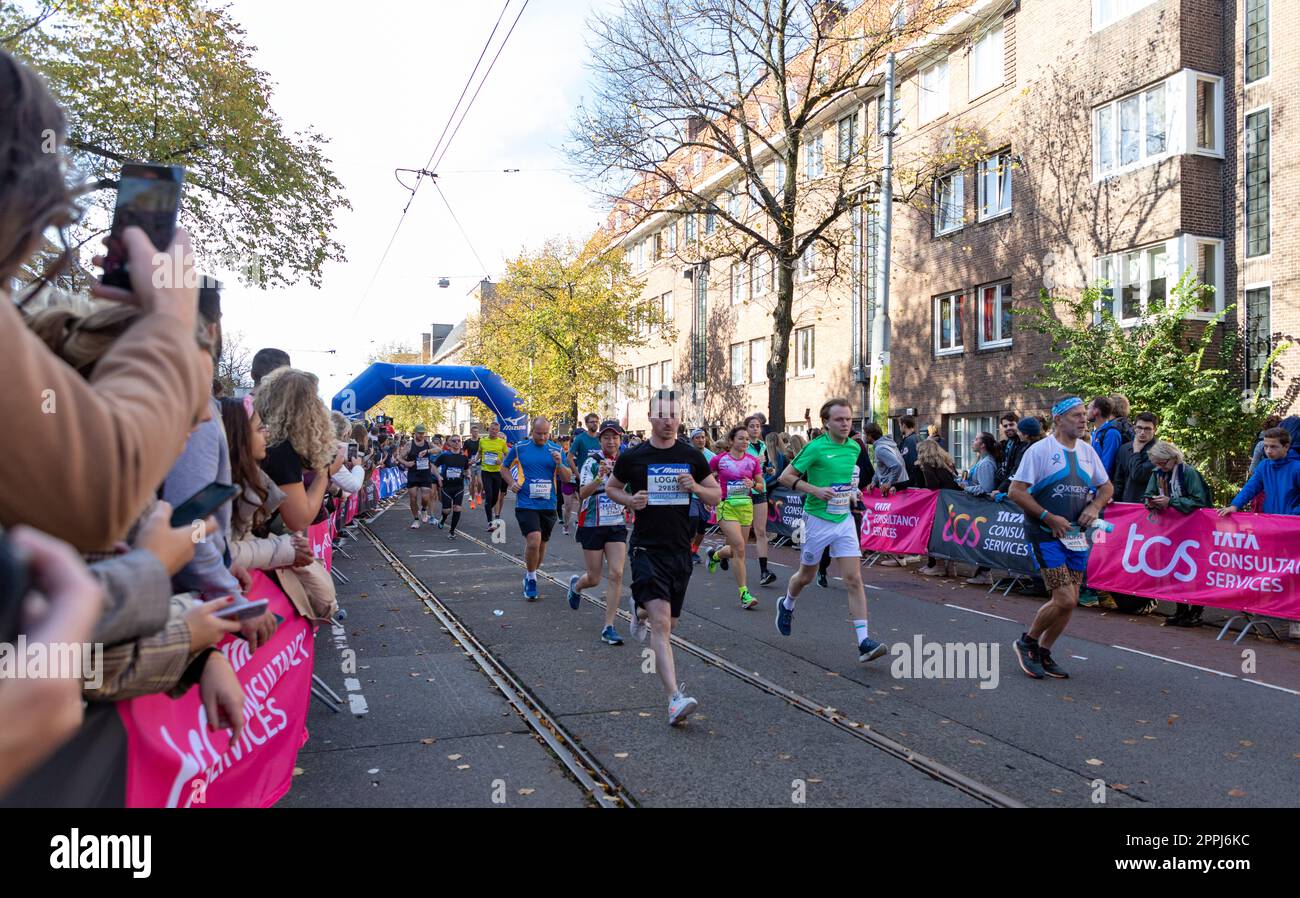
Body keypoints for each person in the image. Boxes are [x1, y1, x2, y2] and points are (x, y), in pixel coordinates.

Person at [605, 390, 720, 725]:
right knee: (661, 622)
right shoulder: (634, 456)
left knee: (670, 622)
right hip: (646, 546)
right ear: (650, 417)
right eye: (662, 415)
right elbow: (612, 487)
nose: (668, 421)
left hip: (679, 549)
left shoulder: (692, 455)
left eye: (674, 415)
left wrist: (696, 488)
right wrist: (629, 501)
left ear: (679, 417)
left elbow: (715, 493)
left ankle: (638, 607)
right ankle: (674, 698)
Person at [1008, 397, 1114, 680]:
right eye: (1076, 415)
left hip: (1076, 537)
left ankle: (1043, 650)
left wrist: (1093, 507)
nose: (1083, 420)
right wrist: (1047, 517)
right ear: (1058, 419)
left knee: (1073, 599)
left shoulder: (1088, 451)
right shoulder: (1039, 451)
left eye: (1084, 415)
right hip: (1045, 535)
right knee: (1064, 598)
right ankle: (1027, 641)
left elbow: (1106, 487)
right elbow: (1016, 491)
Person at [774, 399, 886, 663]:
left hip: (844, 519)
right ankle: (787, 604)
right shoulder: (815, 448)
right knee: (805, 577)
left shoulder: (854, 447)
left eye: (848, 419)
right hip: (817, 519)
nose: (846, 423)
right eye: (839, 419)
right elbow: (785, 477)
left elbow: (848, 478)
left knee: (854, 579)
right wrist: (815, 490)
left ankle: (863, 642)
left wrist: (852, 491)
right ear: (826, 423)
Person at [567, 421, 630, 645]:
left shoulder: (625, 462)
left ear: (620, 440)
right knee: (594, 577)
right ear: (600, 440)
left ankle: (609, 627)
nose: (611, 441)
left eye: (615, 437)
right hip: (592, 522)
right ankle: (577, 586)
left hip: (615, 523)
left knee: (616, 574)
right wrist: (598, 477)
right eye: (606, 438)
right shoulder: (592, 462)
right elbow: (582, 494)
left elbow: (631, 490)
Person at [1143, 441, 1212, 627]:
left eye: (1163, 463)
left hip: (1193, 530)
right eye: (1157, 463)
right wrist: (1150, 501)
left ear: (1173, 458)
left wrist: (1171, 502)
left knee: (1194, 570)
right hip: (1170, 530)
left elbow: (1200, 501)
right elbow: (1147, 494)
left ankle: (1196, 612)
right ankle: (1181, 610)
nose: (1160, 467)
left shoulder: (1188, 473)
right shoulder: (1157, 474)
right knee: (1174, 569)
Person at [502, 417, 571, 600]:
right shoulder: (520, 448)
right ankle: (532, 578)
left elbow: (566, 477)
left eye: (545, 433)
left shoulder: (556, 450)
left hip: (548, 503)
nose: (542, 437)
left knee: (541, 545)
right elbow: (504, 468)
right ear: (532, 431)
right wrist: (511, 483)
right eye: (538, 433)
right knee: (533, 540)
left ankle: (530, 574)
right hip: (526, 503)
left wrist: (559, 463)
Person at [706, 425, 766, 609]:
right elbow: (708, 479)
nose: (745, 442)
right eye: (741, 438)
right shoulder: (719, 460)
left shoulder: (752, 461)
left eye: (747, 439)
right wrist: (708, 496)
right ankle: (744, 594)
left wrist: (753, 484)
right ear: (731, 441)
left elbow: (761, 486)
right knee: (739, 547)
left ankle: (715, 555)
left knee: (736, 550)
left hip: (745, 506)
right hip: (726, 507)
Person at [863, 422, 915, 566]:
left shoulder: (880, 448)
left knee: (893, 521)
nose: (863, 436)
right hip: (897, 487)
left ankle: (899, 556)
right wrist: (874, 482)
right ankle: (897, 554)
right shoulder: (887, 444)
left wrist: (889, 483)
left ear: (870, 435)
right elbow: (881, 468)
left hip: (895, 489)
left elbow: (896, 466)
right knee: (892, 521)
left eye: (864, 433)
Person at [1220, 427, 1300, 518]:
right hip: (1270, 519)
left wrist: (1294, 515)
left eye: (1273, 446)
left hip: (1293, 524)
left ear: (1286, 447)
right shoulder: (1264, 466)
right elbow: (1250, 487)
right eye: (1266, 446)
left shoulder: (1297, 468)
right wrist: (1235, 506)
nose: (1268, 451)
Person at [916, 439, 960, 578]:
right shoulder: (948, 463)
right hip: (955, 502)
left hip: (939, 505)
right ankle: (951, 566)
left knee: (935, 533)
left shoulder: (929, 464)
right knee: (951, 533)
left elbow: (932, 485)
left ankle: (938, 566)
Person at [743, 414, 777, 586]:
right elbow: (737, 469)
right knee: (739, 539)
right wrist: (756, 462)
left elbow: (764, 467)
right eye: (752, 426)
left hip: (760, 489)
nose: (756, 428)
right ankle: (718, 555)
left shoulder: (763, 445)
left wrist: (768, 469)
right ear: (746, 429)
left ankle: (764, 571)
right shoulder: (742, 446)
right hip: (743, 492)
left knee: (760, 532)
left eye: (758, 426)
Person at [1112, 411, 1159, 504]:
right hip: (1125, 503)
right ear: (1134, 428)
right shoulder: (1124, 448)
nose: (1142, 432)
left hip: (1147, 505)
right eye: (1139, 428)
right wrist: (1113, 498)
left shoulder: (1159, 451)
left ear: (1154, 430)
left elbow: (1138, 474)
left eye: (1147, 429)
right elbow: (1118, 479)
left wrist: (1136, 452)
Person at [400, 424, 437, 529]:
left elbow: (439, 449)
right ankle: (416, 519)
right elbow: (399, 457)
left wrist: (428, 451)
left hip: (425, 474)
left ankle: (424, 509)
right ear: (414, 433)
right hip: (413, 473)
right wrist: (406, 463)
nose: (421, 435)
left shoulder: (428, 444)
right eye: (419, 433)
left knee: (425, 496)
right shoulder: (409, 444)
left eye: (423, 433)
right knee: (413, 497)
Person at [433, 434, 470, 538]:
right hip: (447, 487)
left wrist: (469, 475)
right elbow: (434, 467)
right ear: (449, 443)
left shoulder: (463, 457)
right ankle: (443, 518)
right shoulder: (445, 455)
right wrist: (438, 477)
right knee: (447, 510)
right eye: (454, 441)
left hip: (459, 487)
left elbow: (467, 469)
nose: (457, 443)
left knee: (457, 508)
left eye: (459, 441)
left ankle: (451, 531)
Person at [688, 429, 715, 563]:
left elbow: (716, 474)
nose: (701, 440)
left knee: (702, 527)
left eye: (703, 437)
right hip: (691, 495)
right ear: (692, 440)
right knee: (693, 519)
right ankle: (687, 551)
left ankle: (694, 550)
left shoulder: (711, 456)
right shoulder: (687, 455)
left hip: (705, 495)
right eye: (697, 438)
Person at [479, 421, 510, 530]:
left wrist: (501, 462)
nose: (494, 432)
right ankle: (490, 522)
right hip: (486, 471)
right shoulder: (482, 441)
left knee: (495, 497)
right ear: (489, 429)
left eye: (496, 430)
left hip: (497, 472)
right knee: (489, 495)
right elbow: (479, 453)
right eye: (492, 429)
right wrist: (474, 460)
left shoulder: (502, 442)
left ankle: (488, 507)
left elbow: (507, 455)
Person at [1087, 395, 1123, 480]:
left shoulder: (1111, 433)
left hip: (1101, 489)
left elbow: (1106, 466)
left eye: (1088, 408)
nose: (1086, 411)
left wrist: (1093, 490)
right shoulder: (1094, 433)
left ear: (1096, 411)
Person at [898, 415, 923, 486]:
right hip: (916, 481)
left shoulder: (909, 441)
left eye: (900, 425)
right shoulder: (918, 438)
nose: (900, 428)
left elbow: (912, 463)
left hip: (913, 483)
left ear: (904, 425)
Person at [463, 423, 483, 510]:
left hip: (479, 464)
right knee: (472, 483)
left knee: (479, 482)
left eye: (477, 432)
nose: (476, 433)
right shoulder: (467, 442)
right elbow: (463, 452)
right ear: (471, 432)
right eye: (474, 431)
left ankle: (478, 494)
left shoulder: (481, 441)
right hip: (471, 464)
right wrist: (467, 461)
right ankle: (472, 500)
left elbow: (483, 451)